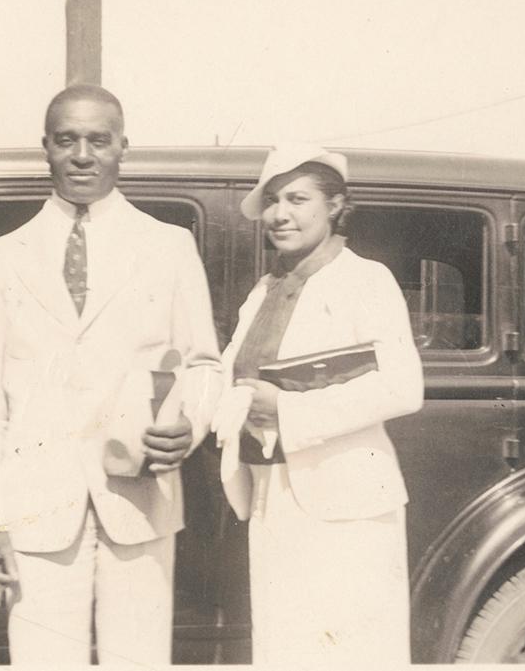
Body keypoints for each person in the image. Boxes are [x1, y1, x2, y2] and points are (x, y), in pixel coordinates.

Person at [0, 84, 221, 666]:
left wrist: (192, 424)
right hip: (34, 511)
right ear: (45, 148)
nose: (83, 155)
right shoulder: (4, 256)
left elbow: (204, 365)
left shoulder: (169, 247)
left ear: (123, 146)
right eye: (67, 140)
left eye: (98, 140)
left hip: (140, 498)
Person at [211, 144, 423, 666]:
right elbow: (227, 370)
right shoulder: (265, 288)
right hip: (272, 495)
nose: (281, 214)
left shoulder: (366, 280)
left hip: (349, 502)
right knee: (288, 648)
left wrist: (287, 411)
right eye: (274, 201)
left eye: (298, 199)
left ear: (334, 206)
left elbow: (403, 386)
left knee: (351, 650)